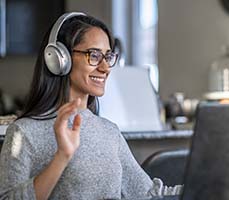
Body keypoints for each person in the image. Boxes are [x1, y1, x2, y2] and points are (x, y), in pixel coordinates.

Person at [0, 12, 182, 200]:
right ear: (59, 59)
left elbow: (148, 195)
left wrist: (207, 185)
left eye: (108, 56)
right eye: (94, 55)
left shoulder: (109, 132)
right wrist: (62, 157)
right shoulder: (24, 132)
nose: (105, 68)